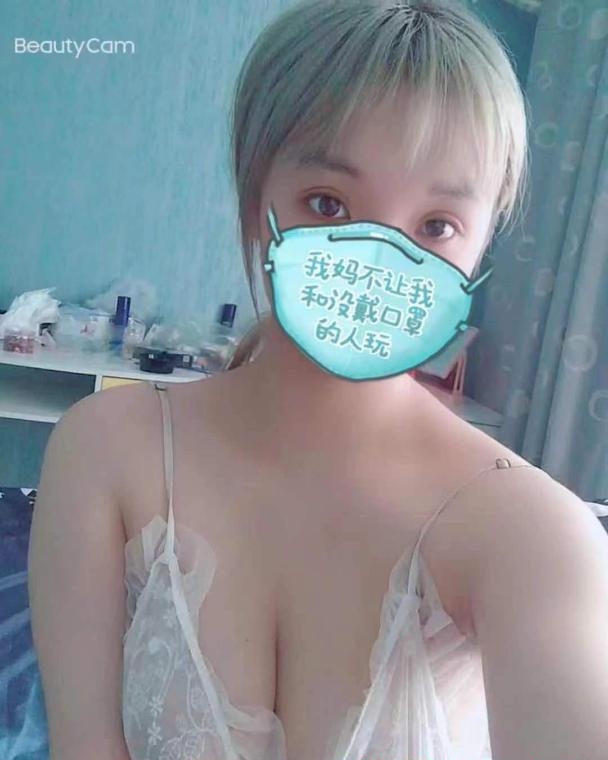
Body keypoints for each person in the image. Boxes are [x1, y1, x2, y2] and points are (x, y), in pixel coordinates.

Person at [28, 1, 608, 759]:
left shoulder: (531, 533)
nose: (375, 260)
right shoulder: (104, 451)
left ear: (479, 249)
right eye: (328, 204)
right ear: (255, 201)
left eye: (436, 225)